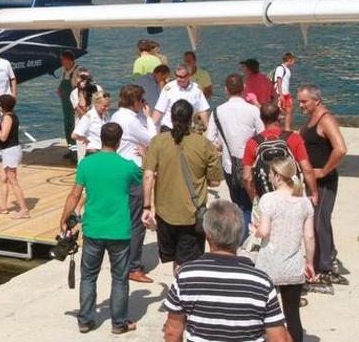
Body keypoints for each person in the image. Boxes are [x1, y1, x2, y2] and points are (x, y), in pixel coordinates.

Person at [163, 200, 289, 342]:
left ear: (207, 234)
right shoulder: (261, 282)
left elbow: (172, 332)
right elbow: (279, 339)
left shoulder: (186, 276)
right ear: (240, 234)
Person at [58, 122, 142, 335]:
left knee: (88, 276)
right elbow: (145, 177)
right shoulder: (128, 166)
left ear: (101, 139)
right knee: (120, 278)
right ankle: (119, 323)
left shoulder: (87, 164)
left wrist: (64, 218)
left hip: (93, 229)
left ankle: (85, 320)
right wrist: (145, 154)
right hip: (119, 230)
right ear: (119, 141)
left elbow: (75, 194)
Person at [142, 100, 223, 273]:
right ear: (191, 119)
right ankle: (183, 287)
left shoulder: (158, 141)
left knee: (176, 260)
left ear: (171, 118)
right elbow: (215, 181)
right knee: (187, 262)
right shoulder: (204, 144)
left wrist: (147, 207)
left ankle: (178, 285)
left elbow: (148, 175)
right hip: (192, 214)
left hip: (164, 213)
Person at [251, 158, 316, 342]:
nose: (269, 177)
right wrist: (309, 262)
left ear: (278, 176)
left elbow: (264, 231)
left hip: (268, 265)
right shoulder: (304, 202)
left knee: (262, 313)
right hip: (293, 266)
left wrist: (255, 231)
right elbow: (309, 236)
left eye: (271, 174)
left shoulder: (268, 199)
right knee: (292, 314)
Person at [297, 84, 348, 287]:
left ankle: (325, 267)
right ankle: (326, 259)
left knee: (319, 222)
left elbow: (340, 149)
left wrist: (324, 171)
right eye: (299, 101)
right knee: (316, 222)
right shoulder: (311, 119)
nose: (301, 105)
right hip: (312, 181)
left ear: (316, 100)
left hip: (325, 182)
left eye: (304, 101)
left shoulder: (326, 119)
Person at [207, 74, 264, 237]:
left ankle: (239, 235)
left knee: (237, 202)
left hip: (229, 164)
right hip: (250, 164)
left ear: (226, 89)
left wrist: (221, 144)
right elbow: (262, 135)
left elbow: (210, 139)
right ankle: (244, 236)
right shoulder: (253, 110)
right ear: (244, 87)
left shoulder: (217, 111)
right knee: (248, 204)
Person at [110, 84, 157, 283]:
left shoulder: (116, 116)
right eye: (141, 100)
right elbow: (153, 140)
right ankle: (133, 267)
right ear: (136, 101)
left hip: (118, 171)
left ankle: (124, 261)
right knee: (137, 221)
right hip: (133, 172)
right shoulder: (131, 120)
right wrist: (149, 118)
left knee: (124, 219)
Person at [0, 94, 30, 218]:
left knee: (13, 180)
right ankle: (3, 206)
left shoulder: (7, 118)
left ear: (3, 106)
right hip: (8, 151)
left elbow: (3, 137)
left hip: (11, 151)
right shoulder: (10, 116)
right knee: (3, 178)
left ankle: (24, 209)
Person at [152, 64, 211, 130]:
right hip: (169, 127)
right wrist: (151, 128)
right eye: (177, 76)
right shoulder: (168, 89)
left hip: (188, 128)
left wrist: (209, 129)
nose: (179, 79)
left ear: (189, 76)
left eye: (182, 77)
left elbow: (203, 111)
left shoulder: (196, 89)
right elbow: (159, 110)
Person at [72, 91, 112, 157]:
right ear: (96, 103)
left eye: (108, 105)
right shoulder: (89, 117)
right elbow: (74, 135)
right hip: (93, 152)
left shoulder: (106, 115)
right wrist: (85, 139)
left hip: (104, 151)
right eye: (104, 106)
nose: (107, 108)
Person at [57, 50, 81, 155]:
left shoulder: (78, 71)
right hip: (66, 104)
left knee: (74, 127)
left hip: (74, 105)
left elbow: (82, 88)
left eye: (63, 60)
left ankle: (76, 153)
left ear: (69, 60)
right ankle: (71, 150)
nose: (62, 62)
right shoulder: (64, 71)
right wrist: (59, 89)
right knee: (67, 127)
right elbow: (62, 84)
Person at [273, 53, 297, 131]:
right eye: (293, 61)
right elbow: (279, 81)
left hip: (286, 93)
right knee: (278, 112)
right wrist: (281, 95)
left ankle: (287, 128)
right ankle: (276, 128)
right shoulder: (280, 68)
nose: (294, 63)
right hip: (280, 94)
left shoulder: (287, 70)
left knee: (289, 110)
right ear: (289, 60)